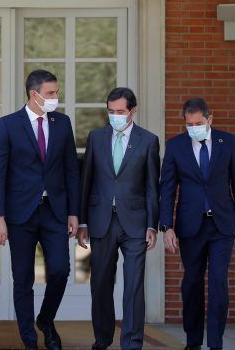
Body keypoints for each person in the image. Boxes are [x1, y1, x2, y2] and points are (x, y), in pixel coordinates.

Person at [0, 69, 80, 350]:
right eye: (50, 93)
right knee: (23, 279)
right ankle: (29, 339)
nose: (55, 98)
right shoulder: (8, 125)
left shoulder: (62, 123)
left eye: (56, 93)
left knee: (61, 271)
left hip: (54, 211)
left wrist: (74, 212)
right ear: (34, 94)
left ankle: (46, 319)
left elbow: (70, 170)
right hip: (20, 215)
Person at [159, 98, 235, 350]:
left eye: (198, 123)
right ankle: (193, 341)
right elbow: (167, 189)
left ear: (210, 119)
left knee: (218, 282)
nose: (193, 128)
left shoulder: (227, 142)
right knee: (192, 283)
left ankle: (216, 343)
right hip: (190, 227)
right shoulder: (176, 146)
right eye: (189, 124)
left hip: (222, 225)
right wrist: (167, 226)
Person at [78, 87, 160, 350]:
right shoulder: (96, 137)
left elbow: (152, 186)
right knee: (100, 283)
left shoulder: (148, 140)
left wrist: (152, 225)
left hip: (135, 222)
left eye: (120, 112)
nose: (115, 116)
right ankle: (102, 340)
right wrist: (82, 222)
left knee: (134, 285)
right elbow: (86, 181)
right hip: (101, 221)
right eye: (111, 111)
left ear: (132, 111)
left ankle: (132, 343)